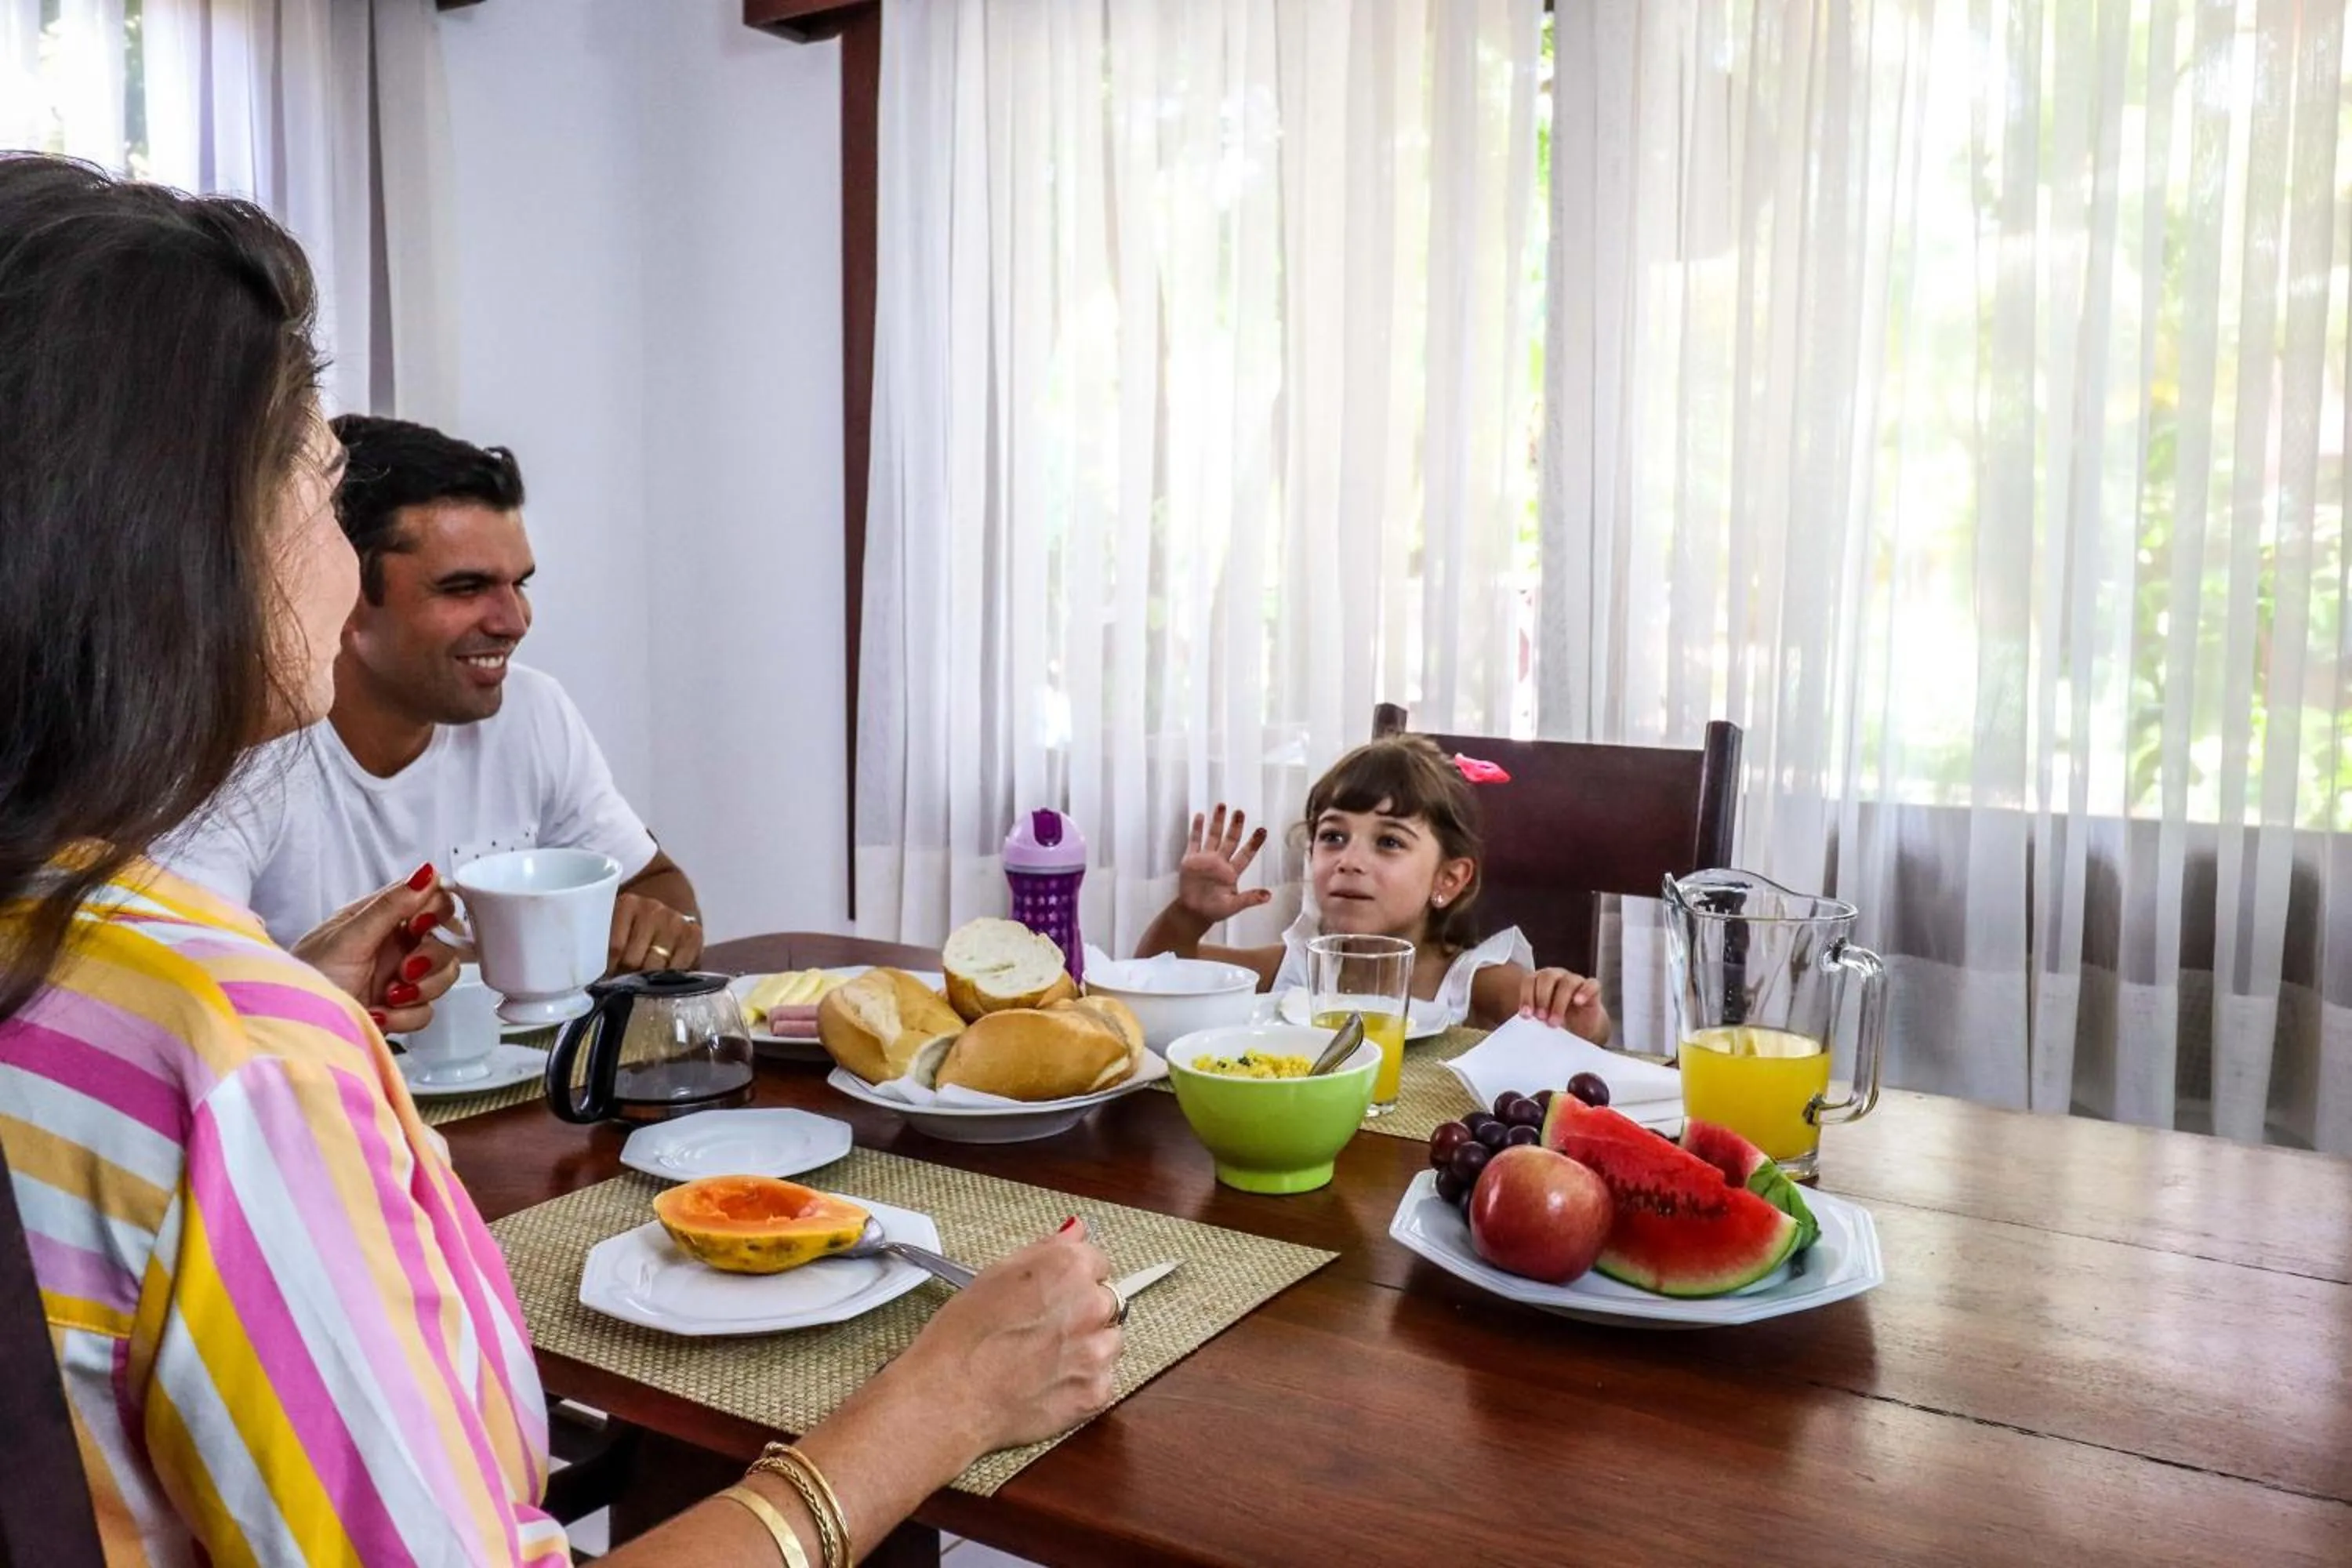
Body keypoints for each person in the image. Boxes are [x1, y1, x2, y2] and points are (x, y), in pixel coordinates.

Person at [0, 154, 1119, 1567]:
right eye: (318, 485)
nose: (509, 618)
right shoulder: (239, 1059)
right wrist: (937, 1406)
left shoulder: (97, 970)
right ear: (174, 538)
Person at [160, 413, 705, 975]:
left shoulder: (532, 711)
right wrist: (322, 997)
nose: (514, 621)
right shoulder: (239, 752)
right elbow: (172, 991)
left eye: (518, 584)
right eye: (465, 588)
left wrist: (657, 932)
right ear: (343, 587)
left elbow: (655, 885)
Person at [1136, 734, 1614, 1040]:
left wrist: (1573, 1012)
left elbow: (1572, 1033)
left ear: (1448, 879)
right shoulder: (1294, 968)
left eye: (1388, 842)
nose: (1349, 860)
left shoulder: (1470, 983)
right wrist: (1188, 915)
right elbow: (1154, 978)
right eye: (1333, 837)